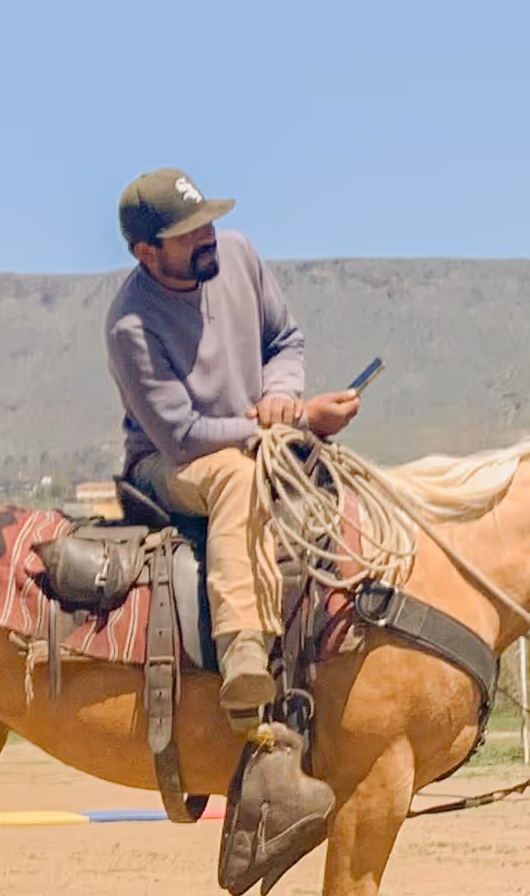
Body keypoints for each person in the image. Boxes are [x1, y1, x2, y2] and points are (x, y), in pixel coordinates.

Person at [104, 166, 362, 729]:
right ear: (147, 252)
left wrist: (281, 396)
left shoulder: (240, 256)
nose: (208, 236)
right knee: (235, 480)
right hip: (168, 465)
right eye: (189, 232)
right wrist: (285, 426)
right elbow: (182, 434)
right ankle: (243, 651)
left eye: (209, 222)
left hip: (254, 440)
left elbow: (285, 341)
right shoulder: (131, 324)